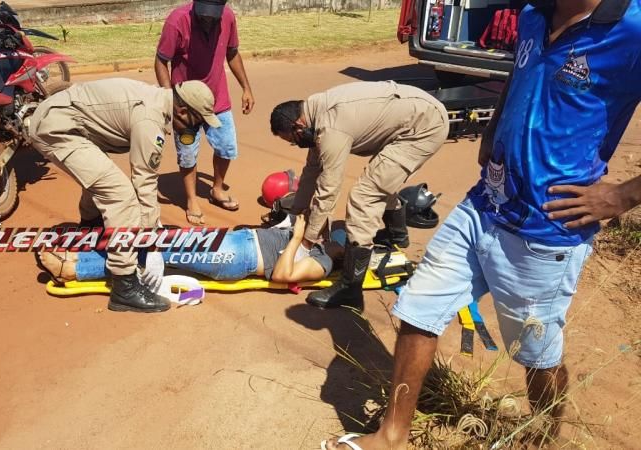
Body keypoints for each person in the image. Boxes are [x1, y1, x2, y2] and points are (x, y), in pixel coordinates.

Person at [320, 1, 641, 449]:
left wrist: (622, 196)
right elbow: (518, 73)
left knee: (536, 353)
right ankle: (392, 435)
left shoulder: (631, 29)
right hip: (483, 204)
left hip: (545, 232)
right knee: (418, 307)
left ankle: (543, 438)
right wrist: (492, 131)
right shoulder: (534, 13)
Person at [28, 78, 221, 313]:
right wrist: (149, 243)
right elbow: (145, 181)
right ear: (182, 110)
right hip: (57, 129)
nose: (197, 129)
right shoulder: (151, 119)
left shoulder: (158, 102)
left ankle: (91, 231)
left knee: (103, 179)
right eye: (197, 121)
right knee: (120, 195)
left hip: (65, 121)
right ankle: (124, 285)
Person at [270, 81, 449, 310]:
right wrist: (294, 215)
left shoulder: (330, 128)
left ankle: (350, 288)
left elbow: (329, 188)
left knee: (365, 195)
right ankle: (397, 235)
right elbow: (311, 172)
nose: (296, 145)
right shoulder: (314, 114)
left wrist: (306, 243)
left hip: (423, 127)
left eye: (293, 140)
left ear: (298, 126)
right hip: (414, 114)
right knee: (382, 179)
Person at [155, 0, 255, 225]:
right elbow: (161, 61)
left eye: (213, 15)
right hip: (186, 105)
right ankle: (191, 199)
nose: (208, 19)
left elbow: (232, 52)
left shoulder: (228, 17)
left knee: (227, 147)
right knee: (188, 153)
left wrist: (246, 87)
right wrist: (169, 99)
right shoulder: (177, 21)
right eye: (203, 14)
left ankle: (217, 189)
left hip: (217, 100)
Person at [37, 215, 342, 284]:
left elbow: (283, 275)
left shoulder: (323, 262)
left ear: (339, 249)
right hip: (234, 242)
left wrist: (295, 237)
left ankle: (74, 269)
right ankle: (80, 258)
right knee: (152, 241)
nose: (327, 236)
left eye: (333, 238)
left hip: (239, 257)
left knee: (153, 251)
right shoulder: (317, 243)